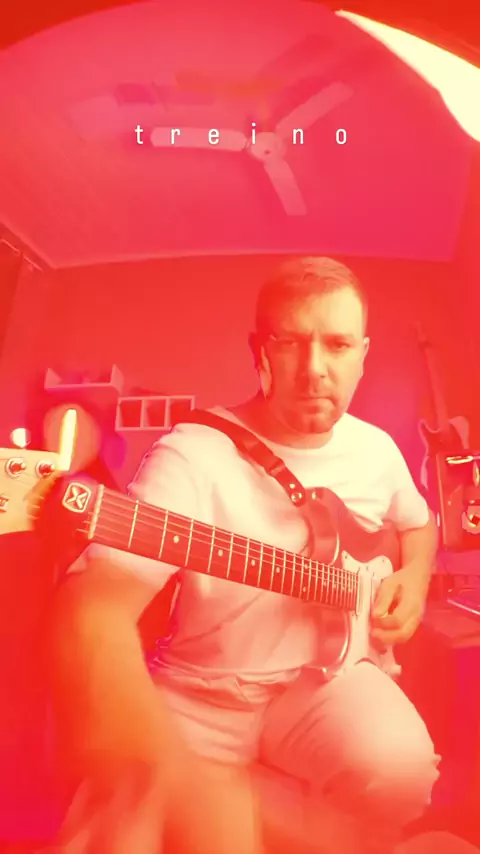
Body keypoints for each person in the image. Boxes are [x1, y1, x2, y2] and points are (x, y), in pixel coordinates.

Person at [50, 257, 441, 854]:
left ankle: (242, 802)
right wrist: (149, 765)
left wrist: (413, 579)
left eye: (337, 345)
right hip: (202, 689)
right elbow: (96, 604)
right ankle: (247, 802)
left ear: (362, 355)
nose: (314, 369)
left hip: (321, 678)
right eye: (290, 342)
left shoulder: (378, 451)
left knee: (403, 774)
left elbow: (420, 524)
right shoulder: (192, 455)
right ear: (260, 350)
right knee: (118, 833)